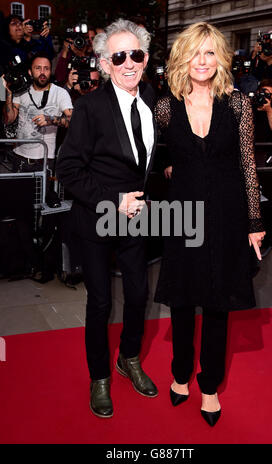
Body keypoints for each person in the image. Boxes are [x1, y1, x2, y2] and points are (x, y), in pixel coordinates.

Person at [154, 22, 266, 427]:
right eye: (194, 53)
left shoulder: (237, 104)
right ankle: (180, 373)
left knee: (218, 305)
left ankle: (210, 386)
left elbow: (248, 164)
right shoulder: (165, 107)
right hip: (183, 216)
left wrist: (255, 221)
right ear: (182, 57)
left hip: (226, 215)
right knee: (183, 302)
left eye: (210, 53)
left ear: (221, 58)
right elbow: (156, 156)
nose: (202, 62)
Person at [56, 19, 158, 419]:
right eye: (119, 56)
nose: (129, 63)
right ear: (104, 63)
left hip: (138, 219)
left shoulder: (151, 96)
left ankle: (128, 358)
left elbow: (145, 156)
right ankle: (99, 376)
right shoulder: (89, 107)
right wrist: (113, 201)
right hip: (98, 217)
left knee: (137, 295)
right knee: (100, 303)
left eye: (136, 54)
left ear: (146, 58)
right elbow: (67, 168)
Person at [3, 53, 73, 173]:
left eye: (46, 69)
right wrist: (9, 93)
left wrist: (51, 119)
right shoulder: (21, 90)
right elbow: (9, 119)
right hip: (19, 157)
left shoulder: (60, 93)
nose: (42, 72)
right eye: (38, 68)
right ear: (30, 72)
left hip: (44, 160)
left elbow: (73, 120)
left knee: (42, 192)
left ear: (50, 71)